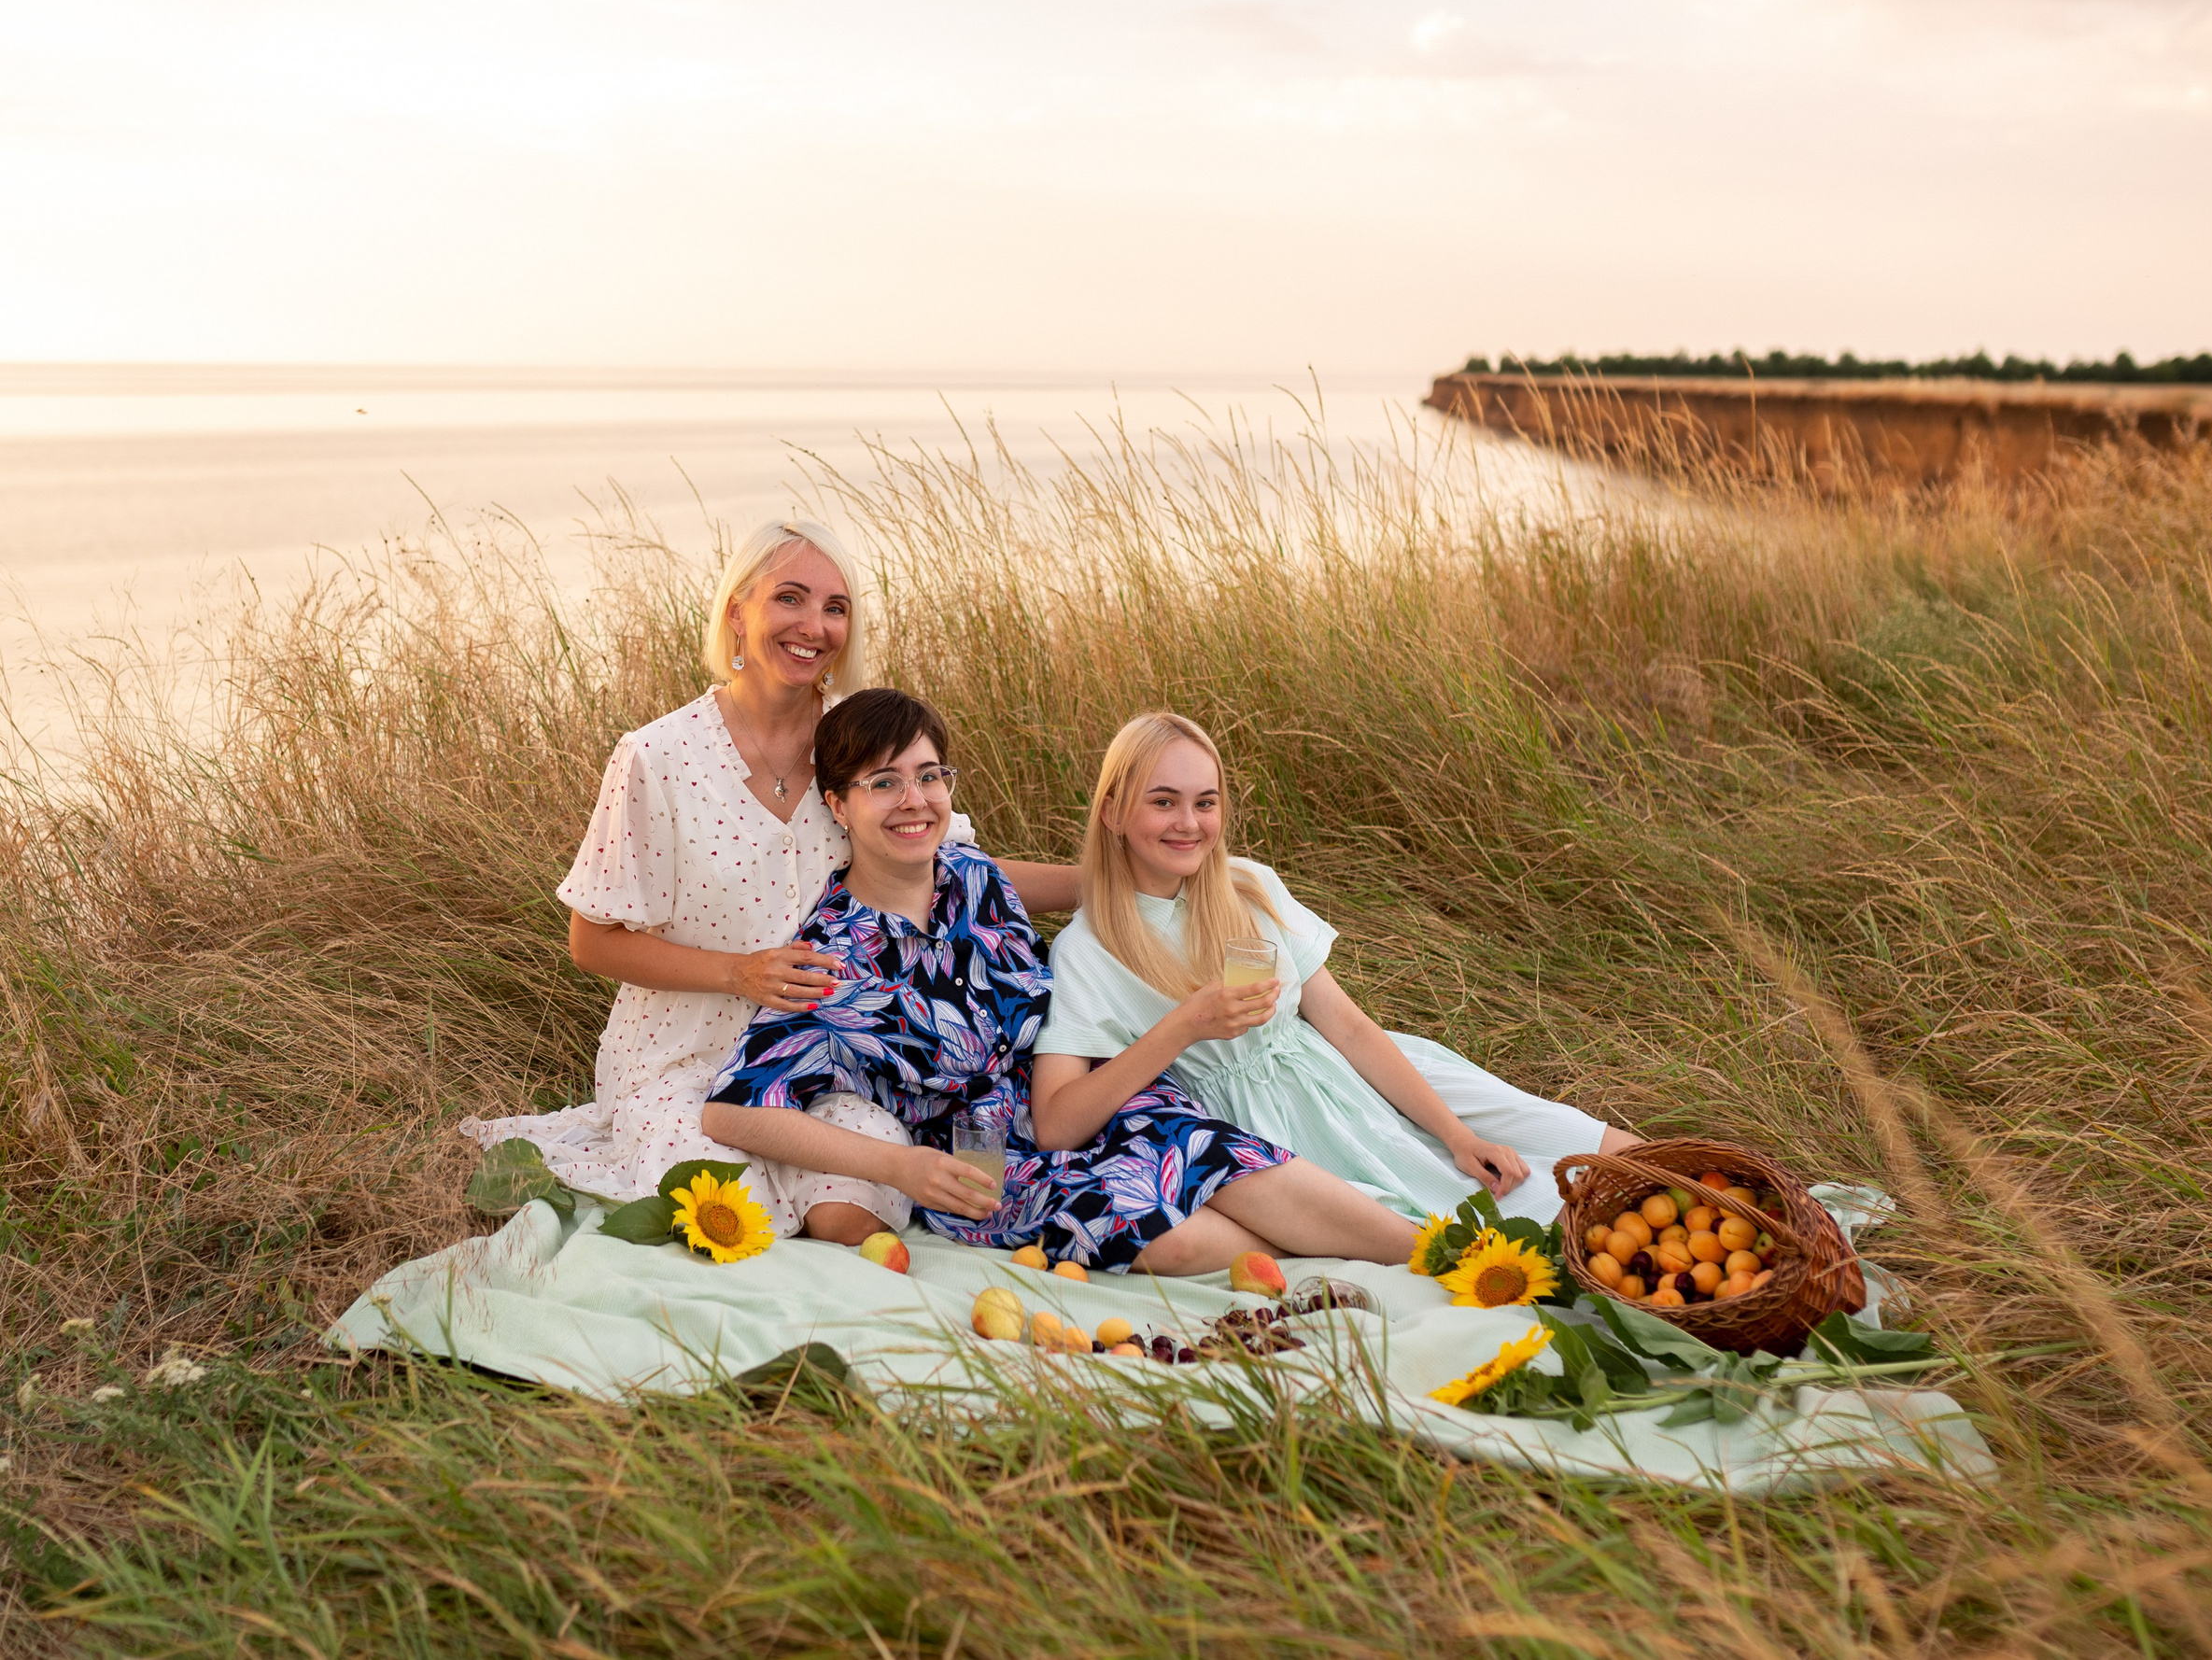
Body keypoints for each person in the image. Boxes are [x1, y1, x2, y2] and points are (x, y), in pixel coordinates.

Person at [463, 518, 1078, 1243]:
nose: (814, 626)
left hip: (829, 1056)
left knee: (855, 1215)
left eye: (836, 607)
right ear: (737, 612)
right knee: (716, 1216)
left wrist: (1115, 879)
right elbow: (591, 941)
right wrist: (738, 973)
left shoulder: (857, 742)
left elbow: (956, 867)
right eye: (790, 598)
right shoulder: (657, 757)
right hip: (682, 1060)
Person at [703, 689, 1419, 1272]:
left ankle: (1439, 1258)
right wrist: (899, 1166)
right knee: (1175, 1239)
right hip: (982, 1153)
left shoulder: (978, 880)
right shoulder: (831, 954)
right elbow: (731, 1111)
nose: (914, 800)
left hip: (1090, 1092)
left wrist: (1191, 861)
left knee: (1222, 1159)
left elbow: (1102, 883)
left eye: (929, 776)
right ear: (837, 805)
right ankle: (1337, 1243)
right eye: (882, 783)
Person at [1031, 712, 1641, 1226]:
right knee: (1527, 1215)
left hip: (1351, 1070)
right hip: (1279, 1131)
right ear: (1112, 813)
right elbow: (1057, 1124)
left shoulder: (1247, 888)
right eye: (1163, 802)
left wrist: (1457, 1134)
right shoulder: (1089, 950)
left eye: (1205, 803)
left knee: (1603, 1148)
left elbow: (1346, 1027)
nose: (1189, 823)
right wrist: (1184, 1026)